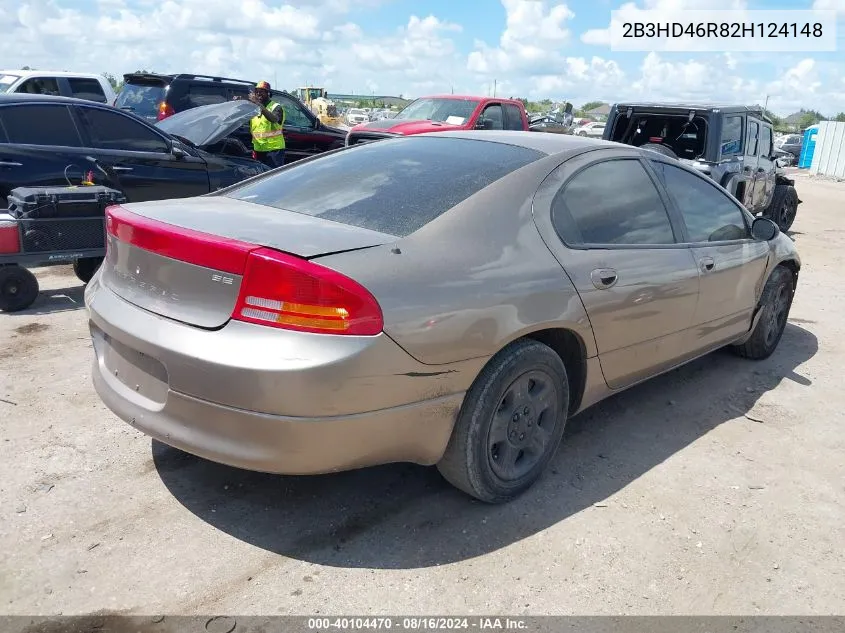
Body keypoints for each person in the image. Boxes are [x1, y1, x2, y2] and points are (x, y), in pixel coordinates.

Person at [245, 81, 286, 168]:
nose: (258, 94)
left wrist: (258, 104)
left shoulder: (276, 107)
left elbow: (273, 119)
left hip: (274, 151)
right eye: (257, 92)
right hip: (258, 150)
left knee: (273, 177)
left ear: (268, 93)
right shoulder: (254, 108)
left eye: (261, 92)